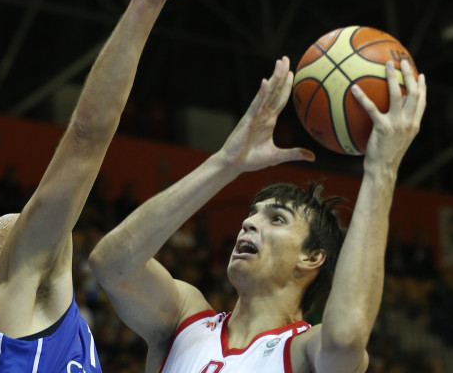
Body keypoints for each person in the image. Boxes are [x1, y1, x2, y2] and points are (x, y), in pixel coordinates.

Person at [0, 0, 219, 371]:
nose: (35, 218)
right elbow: (85, 138)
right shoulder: (10, 299)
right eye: (19, 223)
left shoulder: (38, 330)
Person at [89, 59, 426, 371]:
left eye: (276, 219)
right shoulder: (184, 318)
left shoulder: (303, 350)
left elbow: (346, 337)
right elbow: (111, 264)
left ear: (311, 257)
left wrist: (381, 170)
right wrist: (225, 164)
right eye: (253, 214)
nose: (249, 223)